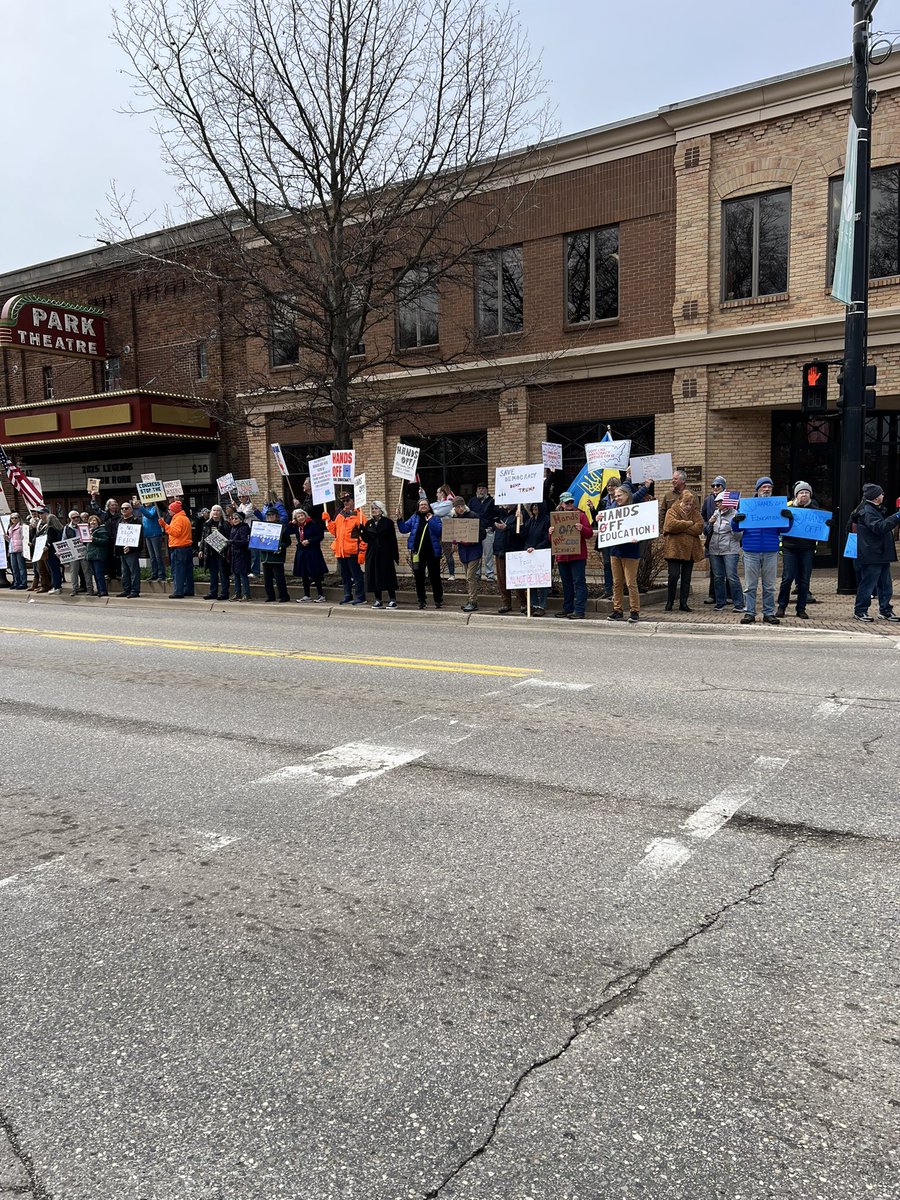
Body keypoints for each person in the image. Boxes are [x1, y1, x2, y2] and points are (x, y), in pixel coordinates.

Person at [852, 483, 900, 623]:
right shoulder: (867, 511)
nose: (883, 495)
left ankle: (885, 610)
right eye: (881, 494)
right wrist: (896, 516)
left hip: (880, 553)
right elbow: (879, 528)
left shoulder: (873, 510)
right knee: (868, 584)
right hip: (872, 554)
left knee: (885, 585)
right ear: (875, 497)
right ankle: (860, 610)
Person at [736, 476, 781, 626]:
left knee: (769, 585)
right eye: (764, 487)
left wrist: (789, 519)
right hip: (751, 550)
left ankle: (769, 613)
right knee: (750, 585)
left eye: (769, 487)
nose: (767, 489)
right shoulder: (747, 505)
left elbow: (785, 529)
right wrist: (735, 520)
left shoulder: (777, 506)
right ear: (758, 489)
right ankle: (750, 612)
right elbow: (736, 528)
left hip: (770, 550)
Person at [606, 480, 653, 623]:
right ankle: (617, 610)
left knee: (631, 583)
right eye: (615, 496)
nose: (617, 498)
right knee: (617, 582)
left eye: (619, 495)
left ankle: (634, 611)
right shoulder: (612, 509)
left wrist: (637, 538)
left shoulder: (635, 509)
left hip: (631, 551)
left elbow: (643, 528)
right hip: (615, 551)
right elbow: (606, 524)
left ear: (627, 495)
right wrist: (599, 518)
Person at [776, 481, 819, 620]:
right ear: (796, 495)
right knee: (787, 578)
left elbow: (821, 527)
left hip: (807, 548)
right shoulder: (788, 507)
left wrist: (827, 524)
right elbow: (779, 526)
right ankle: (781, 606)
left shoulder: (815, 509)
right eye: (801, 492)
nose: (804, 495)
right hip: (790, 548)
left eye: (807, 492)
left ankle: (801, 608)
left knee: (804, 580)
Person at [549, 491, 592, 620]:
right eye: (567, 502)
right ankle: (567, 608)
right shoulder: (556, 518)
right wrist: (550, 532)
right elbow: (552, 540)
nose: (570, 504)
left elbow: (589, 533)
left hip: (577, 556)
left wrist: (582, 528)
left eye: (571, 502)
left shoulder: (581, 515)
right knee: (566, 584)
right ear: (561, 503)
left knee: (579, 582)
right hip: (562, 556)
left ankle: (579, 610)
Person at [663, 489, 704, 612]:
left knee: (686, 578)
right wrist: (689, 523)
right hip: (674, 549)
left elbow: (699, 527)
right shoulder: (671, 511)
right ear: (680, 501)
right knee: (674, 575)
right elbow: (670, 526)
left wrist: (682, 527)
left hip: (690, 550)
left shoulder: (695, 513)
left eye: (691, 504)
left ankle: (683, 603)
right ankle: (670, 601)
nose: (688, 507)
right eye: (686, 504)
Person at [397, 497, 443, 609]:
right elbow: (404, 529)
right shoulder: (414, 518)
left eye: (425, 505)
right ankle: (421, 600)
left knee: (435, 577)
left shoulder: (435, 518)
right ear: (418, 507)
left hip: (433, 553)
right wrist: (399, 519)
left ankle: (438, 600)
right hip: (417, 553)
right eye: (421, 505)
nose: (423, 506)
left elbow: (439, 531)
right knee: (418, 577)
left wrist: (430, 520)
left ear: (429, 507)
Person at [705, 493, 745, 612]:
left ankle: (739, 604)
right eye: (716, 502)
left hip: (730, 550)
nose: (717, 504)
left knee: (731, 576)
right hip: (714, 549)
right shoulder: (716, 513)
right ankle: (720, 603)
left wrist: (734, 525)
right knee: (718, 577)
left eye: (719, 501)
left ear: (727, 502)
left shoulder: (735, 514)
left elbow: (739, 536)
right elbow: (706, 532)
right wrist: (710, 523)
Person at [324, 494, 366, 605]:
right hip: (341, 551)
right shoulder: (340, 515)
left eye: (348, 500)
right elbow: (335, 532)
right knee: (345, 576)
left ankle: (360, 596)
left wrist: (362, 551)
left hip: (352, 551)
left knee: (357, 575)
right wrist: (328, 521)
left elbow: (364, 536)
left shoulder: (359, 516)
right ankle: (347, 595)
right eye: (344, 501)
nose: (345, 503)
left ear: (353, 501)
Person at [360, 501, 400, 608]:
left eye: (376, 508)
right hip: (373, 553)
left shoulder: (388, 523)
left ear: (381, 510)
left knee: (387, 575)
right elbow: (367, 539)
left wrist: (395, 554)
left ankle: (392, 599)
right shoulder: (368, 523)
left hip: (385, 553)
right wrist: (362, 531)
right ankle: (378, 599)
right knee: (374, 576)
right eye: (372, 509)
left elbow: (392, 539)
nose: (374, 510)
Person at [448, 495, 483, 612]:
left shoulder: (473, 516)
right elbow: (453, 533)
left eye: (462, 505)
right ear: (454, 508)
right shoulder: (454, 518)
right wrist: (454, 541)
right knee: (467, 577)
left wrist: (473, 539)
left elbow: (482, 533)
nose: (460, 508)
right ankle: (470, 599)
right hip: (464, 551)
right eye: (458, 506)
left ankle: (473, 601)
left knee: (470, 576)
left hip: (474, 550)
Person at [159, 499, 195, 599]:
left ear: (174, 510)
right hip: (186, 547)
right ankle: (189, 590)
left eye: (170, 509)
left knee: (178, 571)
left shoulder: (178, 519)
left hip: (179, 548)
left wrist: (165, 525)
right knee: (188, 571)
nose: (169, 511)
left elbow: (175, 532)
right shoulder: (184, 518)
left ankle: (178, 591)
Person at [492, 504, 524, 614]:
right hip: (500, 550)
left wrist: (507, 528)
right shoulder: (501, 513)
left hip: (513, 550)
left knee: (517, 578)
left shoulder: (519, 513)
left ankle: (523, 603)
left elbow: (521, 532)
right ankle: (506, 603)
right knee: (502, 579)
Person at [521, 500, 550, 616]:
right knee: (531, 580)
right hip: (530, 552)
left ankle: (541, 606)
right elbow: (523, 535)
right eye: (533, 506)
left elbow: (546, 537)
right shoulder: (531, 520)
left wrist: (537, 547)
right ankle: (533, 604)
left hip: (541, 553)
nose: (535, 508)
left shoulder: (547, 520)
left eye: (537, 506)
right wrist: (522, 522)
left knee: (542, 581)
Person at [702, 475, 728, 604]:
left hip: (727, 539)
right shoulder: (708, 500)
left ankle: (729, 595)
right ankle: (713, 595)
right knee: (714, 569)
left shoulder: (731, 499)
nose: (716, 487)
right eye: (713, 485)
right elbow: (703, 516)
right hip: (713, 537)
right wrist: (707, 527)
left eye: (718, 485)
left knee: (729, 570)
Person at [292, 508, 328, 602]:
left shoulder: (312, 524)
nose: (300, 518)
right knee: (304, 574)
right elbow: (286, 531)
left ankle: (321, 595)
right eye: (298, 516)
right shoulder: (297, 527)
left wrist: (309, 541)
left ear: (305, 515)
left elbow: (320, 536)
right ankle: (306, 595)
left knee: (315, 573)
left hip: (313, 551)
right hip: (302, 551)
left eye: (302, 515)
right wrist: (291, 523)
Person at [258, 503, 291, 602]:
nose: (270, 517)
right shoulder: (263, 527)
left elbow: (288, 542)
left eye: (272, 515)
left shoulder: (282, 527)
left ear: (277, 516)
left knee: (279, 578)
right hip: (265, 556)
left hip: (277, 557)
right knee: (267, 579)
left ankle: (284, 596)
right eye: (268, 515)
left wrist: (280, 546)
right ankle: (270, 596)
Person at [200, 504, 231, 600]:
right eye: (213, 510)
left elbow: (229, 539)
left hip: (221, 553)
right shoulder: (207, 524)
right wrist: (201, 549)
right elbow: (203, 538)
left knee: (223, 573)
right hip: (210, 552)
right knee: (213, 574)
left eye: (218, 510)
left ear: (221, 513)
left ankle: (224, 593)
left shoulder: (226, 524)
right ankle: (213, 592)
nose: (215, 512)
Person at [133, 495, 168, 581]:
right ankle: (154, 573)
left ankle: (161, 574)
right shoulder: (144, 510)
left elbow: (150, 516)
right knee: (152, 556)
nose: (146, 502)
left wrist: (140, 507)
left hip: (155, 534)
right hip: (147, 535)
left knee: (158, 555)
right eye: (145, 500)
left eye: (148, 500)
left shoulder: (154, 508)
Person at [114, 501, 144, 598]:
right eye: (122, 508)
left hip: (132, 551)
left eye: (126, 508)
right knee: (124, 571)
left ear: (131, 510)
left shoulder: (136, 520)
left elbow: (138, 537)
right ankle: (126, 590)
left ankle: (135, 590)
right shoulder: (119, 521)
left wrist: (130, 546)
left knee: (134, 571)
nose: (124, 510)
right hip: (121, 550)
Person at [469, 484, 496, 583]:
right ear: (476, 490)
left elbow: (496, 515)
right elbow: (468, 514)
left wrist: (493, 527)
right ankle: (476, 574)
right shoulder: (472, 501)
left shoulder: (492, 501)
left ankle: (490, 574)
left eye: (483, 488)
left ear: (486, 490)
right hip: (475, 531)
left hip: (487, 530)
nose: (481, 490)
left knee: (488, 554)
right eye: (479, 488)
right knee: (476, 553)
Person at [62, 511, 90, 595]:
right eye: (74, 518)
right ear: (70, 519)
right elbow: (64, 540)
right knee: (73, 572)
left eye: (77, 517)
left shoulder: (85, 525)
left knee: (86, 571)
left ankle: (90, 589)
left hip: (83, 551)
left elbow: (89, 537)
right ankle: (74, 589)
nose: (76, 519)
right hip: (73, 552)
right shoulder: (67, 527)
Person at [432, 485, 457, 579]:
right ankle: (435, 573)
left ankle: (452, 574)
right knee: (435, 552)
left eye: (437, 492)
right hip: (436, 530)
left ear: (442, 493)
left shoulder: (449, 503)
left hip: (446, 530)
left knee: (448, 553)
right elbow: (428, 510)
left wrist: (434, 511)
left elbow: (438, 513)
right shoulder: (435, 504)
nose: (436, 494)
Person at [228, 511, 252, 601]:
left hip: (242, 554)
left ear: (241, 519)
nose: (234, 520)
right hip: (234, 553)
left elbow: (245, 541)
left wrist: (233, 541)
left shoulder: (243, 528)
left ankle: (246, 594)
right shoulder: (233, 528)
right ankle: (237, 593)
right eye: (233, 518)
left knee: (243, 574)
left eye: (236, 518)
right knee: (236, 575)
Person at [84, 516, 109, 597]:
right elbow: (88, 543)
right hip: (91, 555)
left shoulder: (102, 530)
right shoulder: (89, 531)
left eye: (94, 520)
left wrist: (93, 539)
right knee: (95, 574)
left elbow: (105, 541)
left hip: (98, 555)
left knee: (99, 574)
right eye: (91, 521)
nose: (92, 522)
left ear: (98, 522)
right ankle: (99, 590)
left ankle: (103, 590)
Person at [5, 514, 28, 590]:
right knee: (14, 568)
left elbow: (24, 539)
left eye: (15, 518)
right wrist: (7, 538)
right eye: (12, 518)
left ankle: (23, 583)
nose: (14, 519)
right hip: (12, 549)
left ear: (19, 518)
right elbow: (11, 540)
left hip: (19, 549)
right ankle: (16, 582)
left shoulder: (21, 527)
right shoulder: (10, 528)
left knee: (21, 567)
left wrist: (24, 550)